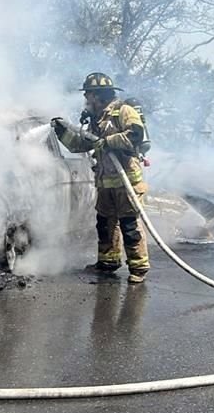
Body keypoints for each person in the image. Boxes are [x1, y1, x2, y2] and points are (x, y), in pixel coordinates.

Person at [51, 72, 150, 284]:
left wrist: (107, 142)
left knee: (129, 226)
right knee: (105, 224)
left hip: (127, 182)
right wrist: (61, 132)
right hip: (105, 183)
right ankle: (108, 262)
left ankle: (138, 268)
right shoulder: (97, 118)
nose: (86, 98)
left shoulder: (123, 111)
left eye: (88, 94)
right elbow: (82, 145)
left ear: (98, 95)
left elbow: (135, 135)